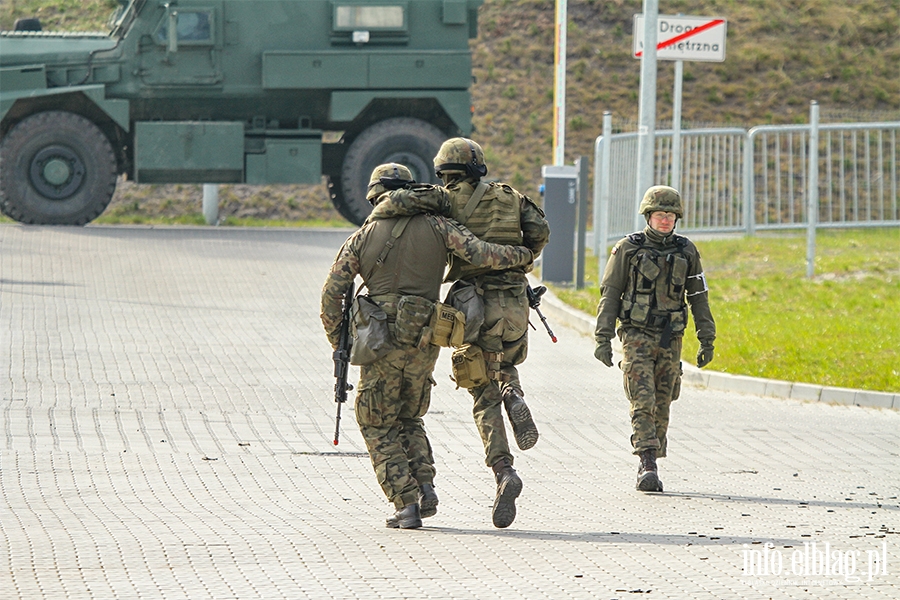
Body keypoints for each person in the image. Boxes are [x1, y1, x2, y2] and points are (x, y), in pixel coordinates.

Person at [320, 163, 535, 529]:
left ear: (376, 196)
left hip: (380, 339)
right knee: (409, 415)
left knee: (375, 421)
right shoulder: (440, 227)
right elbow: (482, 254)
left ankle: (406, 502)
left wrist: (339, 340)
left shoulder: (363, 235)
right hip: (427, 336)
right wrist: (523, 256)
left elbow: (332, 294)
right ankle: (425, 486)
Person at [432, 137, 551, 528]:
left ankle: (503, 470)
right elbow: (540, 232)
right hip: (515, 301)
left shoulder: (445, 201)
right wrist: (522, 258)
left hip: (473, 304)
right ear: (478, 165)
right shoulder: (511, 197)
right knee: (503, 368)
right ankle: (514, 393)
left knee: (481, 391)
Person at [593, 185, 716, 493]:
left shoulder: (687, 251)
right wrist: (603, 337)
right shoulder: (628, 249)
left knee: (663, 401)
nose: (665, 220)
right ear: (648, 216)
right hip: (636, 335)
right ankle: (647, 462)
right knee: (642, 398)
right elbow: (610, 294)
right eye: (660, 215)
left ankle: (653, 457)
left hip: (671, 338)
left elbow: (698, 297)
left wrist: (707, 337)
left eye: (671, 215)